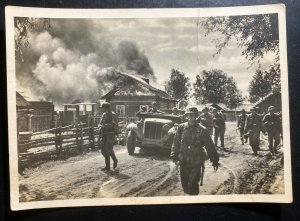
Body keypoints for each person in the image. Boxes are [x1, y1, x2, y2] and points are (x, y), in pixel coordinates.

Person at [171, 106, 219, 195]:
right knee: (184, 183)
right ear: (186, 116)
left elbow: (210, 146)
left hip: (196, 160)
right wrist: (174, 155)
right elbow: (176, 142)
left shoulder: (202, 130)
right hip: (183, 160)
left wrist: (215, 160)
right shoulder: (181, 127)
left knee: (193, 183)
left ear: (197, 116)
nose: (191, 117)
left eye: (193, 115)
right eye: (189, 115)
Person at [98, 102, 118, 170]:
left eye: (103, 108)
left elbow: (115, 125)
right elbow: (100, 123)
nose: (102, 109)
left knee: (108, 149)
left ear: (107, 108)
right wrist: (100, 126)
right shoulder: (104, 114)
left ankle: (115, 160)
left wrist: (107, 126)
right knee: (103, 150)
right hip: (103, 134)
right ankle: (107, 166)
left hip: (110, 134)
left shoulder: (113, 115)